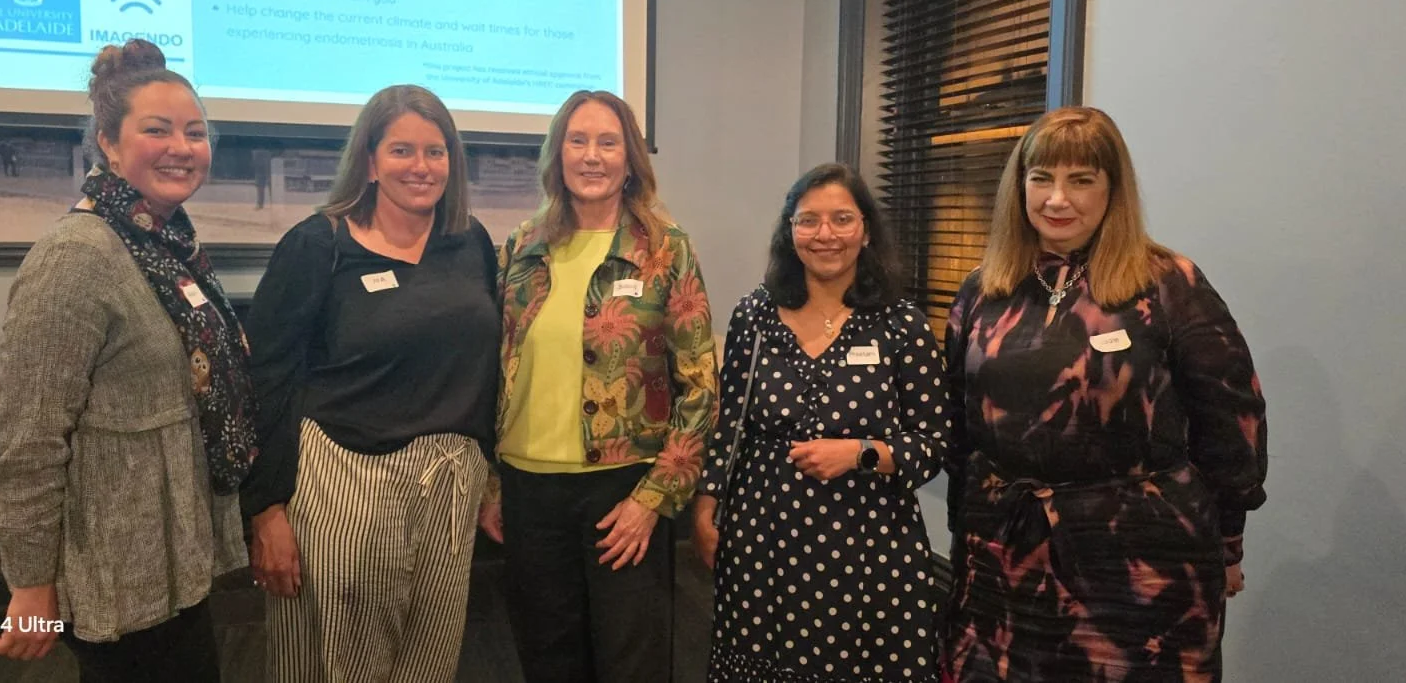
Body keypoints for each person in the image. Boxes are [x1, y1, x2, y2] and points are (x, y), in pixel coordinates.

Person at [942, 106, 1268, 681]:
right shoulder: (983, 289)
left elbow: (1231, 417)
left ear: (1112, 189)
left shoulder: (1168, 282)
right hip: (1004, 559)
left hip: (1140, 567)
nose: (1057, 199)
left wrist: (1228, 541)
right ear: (1019, 187)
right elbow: (961, 429)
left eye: (1081, 180)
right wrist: (964, 534)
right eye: (1041, 179)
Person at [0, 38, 253, 681]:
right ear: (109, 142)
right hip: (116, 569)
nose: (182, 146)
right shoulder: (77, 258)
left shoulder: (164, 241)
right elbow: (31, 439)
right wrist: (32, 584)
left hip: (169, 558)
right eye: (157, 130)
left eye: (195, 131)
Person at [240, 84, 500, 683]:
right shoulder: (316, 246)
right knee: (339, 660)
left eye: (436, 152)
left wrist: (489, 478)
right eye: (402, 150)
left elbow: (483, 366)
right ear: (370, 161)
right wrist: (266, 511)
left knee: (429, 659)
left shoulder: (470, 242)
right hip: (347, 479)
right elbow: (268, 382)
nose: (421, 167)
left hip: (451, 480)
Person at [487, 89, 718, 683]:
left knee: (630, 661)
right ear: (557, 154)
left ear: (630, 158)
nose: (592, 156)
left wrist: (653, 500)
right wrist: (490, 483)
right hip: (528, 490)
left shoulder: (666, 250)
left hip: (624, 491)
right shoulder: (521, 247)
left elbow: (700, 387)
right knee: (547, 656)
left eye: (608, 142)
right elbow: (494, 367)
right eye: (578, 140)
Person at [693, 162, 948, 682]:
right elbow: (730, 423)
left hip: (870, 538)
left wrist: (860, 452)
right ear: (790, 231)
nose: (824, 234)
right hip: (763, 531)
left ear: (866, 230)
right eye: (808, 220)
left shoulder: (902, 325)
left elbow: (935, 443)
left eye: (841, 219)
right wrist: (706, 503)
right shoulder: (755, 315)